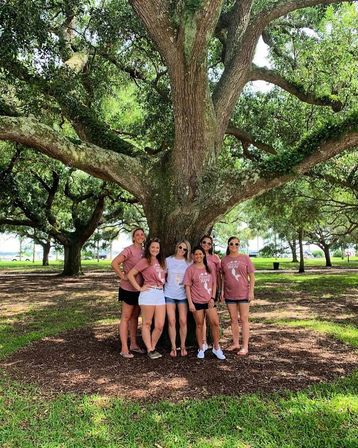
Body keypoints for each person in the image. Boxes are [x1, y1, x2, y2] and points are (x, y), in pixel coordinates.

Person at [184, 246, 226, 360]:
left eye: (200, 254)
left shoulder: (210, 267)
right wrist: (190, 303)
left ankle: (216, 347)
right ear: (193, 256)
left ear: (203, 255)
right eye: (196, 254)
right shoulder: (190, 269)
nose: (198, 256)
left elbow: (214, 283)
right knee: (199, 325)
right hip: (196, 301)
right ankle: (201, 347)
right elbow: (187, 287)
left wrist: (212, 298)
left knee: (215, 323)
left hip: (209, 301)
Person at [128, 238, 167, 359]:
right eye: (153, 247)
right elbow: (130, 275)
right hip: (148, 294)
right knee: (147, 323)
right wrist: (139, 288)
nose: (155, 249)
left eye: (157, 248)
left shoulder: (162, 262)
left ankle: (152, 347)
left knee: (160, 325)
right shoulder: (145, 261)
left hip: (160, 294)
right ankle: (150, 349)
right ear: (149, 248)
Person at [111, 228, 146, 358]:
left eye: (142, 234)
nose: (140, 236)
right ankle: (124, 348)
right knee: (126, 317)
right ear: (133, 238)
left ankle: (134, 344)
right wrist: (122, 276)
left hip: (140, 289)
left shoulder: (144, 251)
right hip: (128, 289)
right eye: (137, 235)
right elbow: (114, 263)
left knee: (135, 317)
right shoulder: (129, 250)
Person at [220, 236, 255, 356]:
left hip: (243, 293)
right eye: (231, 244)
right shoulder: (224, 260)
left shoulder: (245, 258)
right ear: (228, 245)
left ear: (239, 245)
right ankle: (235, 343)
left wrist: (251, 292)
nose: (234, 246)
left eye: (236, 244)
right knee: (233, 320)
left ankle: (245, 346)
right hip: (230, 294)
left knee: (244, 319)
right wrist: (222, 292)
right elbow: (223, 277)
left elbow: (252, 277)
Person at [164, 240, 192, 357]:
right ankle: (173, 347)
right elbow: (162, 275)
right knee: (171, 321)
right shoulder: (168, 260)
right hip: (169, 294)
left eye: (185, 249)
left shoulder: (189, 262)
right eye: (180, 247)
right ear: (177, 247)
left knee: (183, 321)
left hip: (183, 295)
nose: (182, 250)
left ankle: (183, 345)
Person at [199, 235, 222, 351]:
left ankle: (216, 344)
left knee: (214, 321)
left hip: (211, 292)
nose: (206, 245)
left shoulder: (214, 258)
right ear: (200, 243)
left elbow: (219, 275)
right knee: (201, 319)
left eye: (209, 243)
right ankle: (203, 342)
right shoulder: (196, 257)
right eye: (204, 242)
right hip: (198, 292)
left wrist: (220, 291)